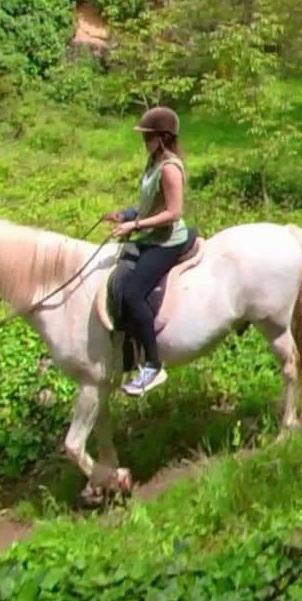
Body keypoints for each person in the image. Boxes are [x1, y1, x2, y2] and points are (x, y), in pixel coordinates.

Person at [106, 107, 192, 397]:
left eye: (149, 137)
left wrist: (136, 223)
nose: (144, 142)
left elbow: (173, 212)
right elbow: (149, 204)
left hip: (167, 240)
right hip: (151, 235)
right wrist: (125, 214)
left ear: (163, 138)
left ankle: (153, 365)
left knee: (132, 293)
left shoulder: (169, 168)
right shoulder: (153, 162)